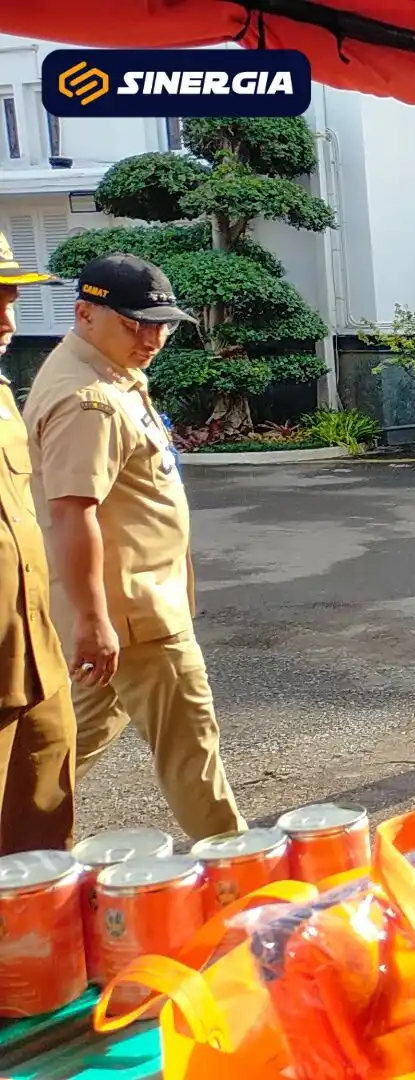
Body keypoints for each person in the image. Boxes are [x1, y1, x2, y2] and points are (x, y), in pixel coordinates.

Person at [24, 253, 244, 842]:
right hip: (135, 615)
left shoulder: (103, 372)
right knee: (193, 751)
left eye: (163, 323)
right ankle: (248, 882)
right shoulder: (87, 398)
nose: (153, 337)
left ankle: (17, 847)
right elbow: (73, 512)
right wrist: (95, 622)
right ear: (85, 314)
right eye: (135, 323)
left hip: (124, 609)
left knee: (69, 741)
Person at [0, 228, 77, 855]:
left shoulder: (2, 396)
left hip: (31, 652)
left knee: (44, 835)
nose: (7, 318)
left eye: (10, 297)